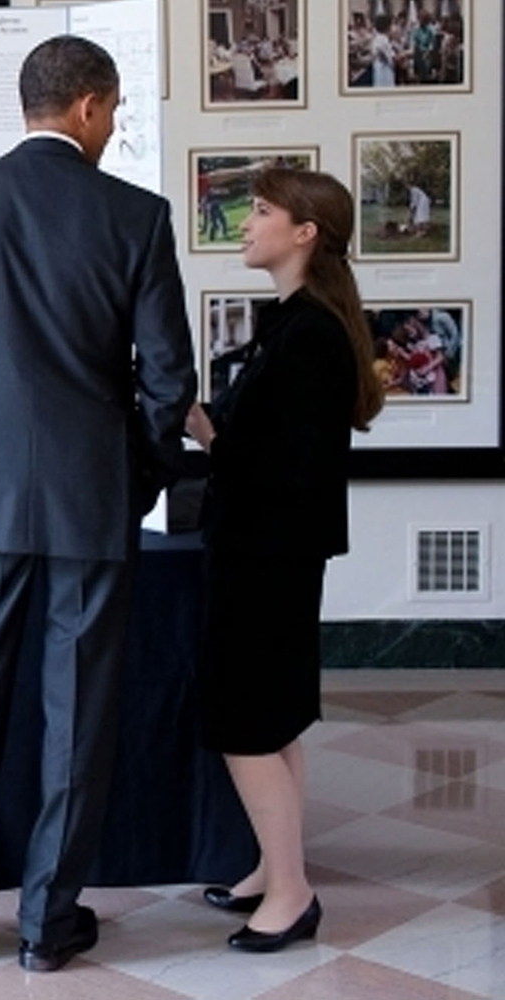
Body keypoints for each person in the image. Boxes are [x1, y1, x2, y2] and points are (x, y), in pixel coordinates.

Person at [0, 34, 195, 972]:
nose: (114, 125)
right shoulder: (136, 216)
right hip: (92, 499)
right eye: (116, 110)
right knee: (79, 709)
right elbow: (169, 380)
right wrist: (135, 475)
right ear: (89, 106)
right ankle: (46, 927)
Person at [185, 168, 383, 953]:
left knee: (246, 725)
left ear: (305, 233)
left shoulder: (308, 336)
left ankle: (293, 895)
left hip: (265, 555)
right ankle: (278, 868)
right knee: (274, 720)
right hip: (273, 552)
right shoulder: (302, 325)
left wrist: (205, 432)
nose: (245, 221)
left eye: (262, 211)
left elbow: (275, 466)